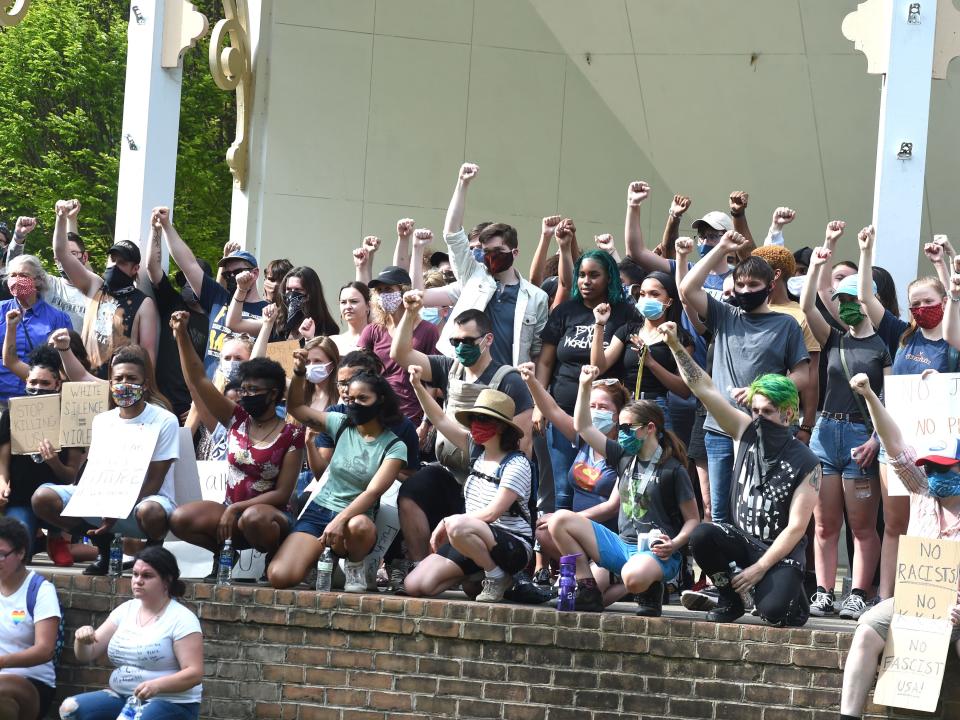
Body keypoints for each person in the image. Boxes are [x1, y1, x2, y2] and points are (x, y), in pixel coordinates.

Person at [660, 321, 820, 625]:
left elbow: (797, 528)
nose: (759, 418)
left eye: (767, 412)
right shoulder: (746, 431)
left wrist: (760, 568)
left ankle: (790, 595)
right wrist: (675, 346)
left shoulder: (807, 461)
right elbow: (704, 389)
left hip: (779, 552)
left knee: (776, 614)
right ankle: (730, 597)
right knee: (703, 533)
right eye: (755, 410)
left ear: (788, 414)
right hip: (742, 539)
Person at [389, 294, 533, 588]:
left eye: (468, 341)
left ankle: (490, 573)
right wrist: (410, 312)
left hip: (493, 484)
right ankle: (424, 562)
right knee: (413, 489)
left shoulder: (509, 380)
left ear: (488, 339)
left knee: (472, 557)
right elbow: (401, 355)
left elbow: (522, 441)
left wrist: (508, 480)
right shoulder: (447, 367)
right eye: (455, 342)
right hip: (453, 472)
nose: (460, 348)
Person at [839, 372, 960, 720]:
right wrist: (869, 397)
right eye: (931, 467)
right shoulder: (922, 490)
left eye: (945, 468)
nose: (935, 474)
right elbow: (895, 446)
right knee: (866, 629)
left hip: (956, 610)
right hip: (914, 603)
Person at [856, 226, 960, 601]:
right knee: (896, 524)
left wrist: (945, 262)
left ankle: (931, 598)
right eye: (914, 302)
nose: (919, 308)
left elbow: (955, 300)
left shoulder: (953, 343)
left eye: (927, 301)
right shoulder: (902, 332)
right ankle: (886, 599)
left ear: (945, 301)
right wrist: (865, 251)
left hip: (941, 450)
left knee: (936, 524)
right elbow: (866, 298)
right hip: (897, 446)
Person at [546, 365, 699, 615]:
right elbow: (583, 427)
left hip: (658, 552)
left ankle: (651, 589)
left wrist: (676, 544)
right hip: (621, 545)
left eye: (628, 428)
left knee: (632, 576)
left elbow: (694, 519)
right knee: (559, 521)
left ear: (650, 428)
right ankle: (587, 589)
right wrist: (584, 386)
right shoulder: (624, 456)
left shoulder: (673, 470)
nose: (622, 433)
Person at [679, 231, 809, 525]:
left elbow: (803, 375)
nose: (746, 290)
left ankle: (754, 569)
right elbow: (688, 288)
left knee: (757, 509)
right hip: (718, 429)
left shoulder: (786, 324)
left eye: (754, 285)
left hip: (764, 430)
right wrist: (721, 248)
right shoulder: (726, 315)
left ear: (770, 286)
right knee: (719, 513)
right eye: (740, 285)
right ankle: (723, 572)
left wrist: (761, 391)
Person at [168, 311, 304, 576]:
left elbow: (283, 494)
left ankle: (275, 554)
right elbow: (198, 380)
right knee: (179, 519)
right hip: (231, 511)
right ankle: (223, 557)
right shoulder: (236, 418)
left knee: (255, 517)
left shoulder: (291, 434)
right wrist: (182, 335)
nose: (245, 395)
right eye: (243, 389)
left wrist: (236, 509)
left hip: (270, 517)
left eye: (253, 390)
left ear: (274, 394)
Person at [30, 347, 180, 575]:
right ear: (110, 384)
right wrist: (91, 498)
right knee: (43, 497)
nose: (124, 384)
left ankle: (152, 557)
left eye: (131, 378)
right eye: (118, 379)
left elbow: (155, 480)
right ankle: (104, 546)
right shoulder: (102, 421)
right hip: (104, 500)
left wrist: (117, 507)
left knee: (151, 510)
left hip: (146, 502)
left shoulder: (164, 420)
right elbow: (95, 471)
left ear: (145, 385)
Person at [267, 353, 407, 591]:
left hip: (355, 518)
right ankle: (318, 562)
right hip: (320, 508)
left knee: (360, 526)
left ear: (380, 399)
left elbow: (372, 493)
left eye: (363, 398)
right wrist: (300, 374)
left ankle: (354, 566)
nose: (354, 404)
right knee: (279, 576)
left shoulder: (395, 445)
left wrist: (340, 520)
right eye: (351, 399)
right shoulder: (340, 422)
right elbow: (297, 408)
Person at [801, 249, 889, 619]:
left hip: (860, 436)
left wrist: (876, 440)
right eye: (842, 300)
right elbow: (806, 306)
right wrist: (819, 263)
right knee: (824, 524)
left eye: (854, 299)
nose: (847, 305)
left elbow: (889, 398)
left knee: (863, 526)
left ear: (868, 301)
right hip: (825, 432)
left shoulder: (883, 345)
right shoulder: (834, 337)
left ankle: (857, 592)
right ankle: (823, 591)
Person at [403, 381, 534, 603]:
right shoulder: (476, 451)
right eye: (473, 419)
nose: (475, 425)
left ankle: (496, 576)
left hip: (511, 546)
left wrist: (447, 522)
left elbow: (492, 514)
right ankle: (479, 575)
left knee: (456, 525)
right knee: (415, 585)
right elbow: (441, 419)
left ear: (501, 426)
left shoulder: (516, 463)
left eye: (483, 420)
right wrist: (416, 386)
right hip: (469, 539)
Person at [536, 249, 635, 511]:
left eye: (594, 275)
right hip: (561, 411)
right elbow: (545, 361)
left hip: (602, 416)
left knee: (598, 486)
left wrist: (600, 324)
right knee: (562, 488)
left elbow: (599, 366)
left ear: (609, 279)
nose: (586, 281)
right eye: (581, 275)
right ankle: (563, 547)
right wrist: (539, 404)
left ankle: (594, 545)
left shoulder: (623, 313)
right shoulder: (564, 312)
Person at [61, 546, 203, 720]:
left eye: (147, 576)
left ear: (166, 581)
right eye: (135, 574)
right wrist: (81, 640)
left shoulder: (182, 619)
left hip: (172, 702)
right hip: (125, 698)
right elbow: (86, 654)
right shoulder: (125, 610)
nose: (138, 581)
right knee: (70, 709)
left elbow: (194, 673)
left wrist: (157, 686)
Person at [429, 163, 549, 367]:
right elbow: (452, 235)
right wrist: (462, 184)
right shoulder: (472, 276)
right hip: (463, 375)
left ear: (515, 253)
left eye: (498, 252)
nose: (491, 257)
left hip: (507, 383)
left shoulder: (537, 297)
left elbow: (536, 352)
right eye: (486, 252)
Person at [517, 363, 627, 581]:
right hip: (576, 536)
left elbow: (612, 507)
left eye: (603, 408)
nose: (596, 412)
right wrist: (531, 381)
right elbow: (552, 410)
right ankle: (581, 570)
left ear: (618, 415)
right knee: (543, 532)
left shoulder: (623, 452)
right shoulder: (584, 439)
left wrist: (566, 519)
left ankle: (623, 581)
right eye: (592, 406)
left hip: (607, 538)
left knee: (597, 595)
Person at [153, 206, 267, 378]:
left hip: (246, 394)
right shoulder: (218, 297)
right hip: (211, 392)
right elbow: (188, 264)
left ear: (255, 273)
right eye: (228, 274)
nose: (232, 277)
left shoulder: (268, 311)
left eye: (238, 272)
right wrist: (167, 225)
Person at [53, 201, 159, 376]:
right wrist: (61, 217)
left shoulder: (143, 303)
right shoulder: (95, 285)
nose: (115, 265)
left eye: (122, 262)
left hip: (117, 384)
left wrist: (146, 389)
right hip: (83, 380)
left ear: (135, 269)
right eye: (113, 260)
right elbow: (62, 253)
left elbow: (148, 354)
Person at [0, 345, 86, 561]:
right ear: (26, 383)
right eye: (33, 382)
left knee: (63, 560)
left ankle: (55, 535)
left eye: (45, 383)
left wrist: (54, 462)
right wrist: (2, 483)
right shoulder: (12, 414)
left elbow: (71, 476)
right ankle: (36, 540)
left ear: (57, 385)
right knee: (17, 556)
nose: (38, 388)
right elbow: (3, 461)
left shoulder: (71, 417)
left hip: (54, 504)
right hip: (20, 501)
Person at [589, 270, 693, 424]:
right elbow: (598, 366)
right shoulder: (628, 331)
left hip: (656, 408)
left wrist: (650, 362)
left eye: (654, 294)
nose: (646, 299)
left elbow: (684, 390)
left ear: (669, 301)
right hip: (626, 406)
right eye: (643, 294)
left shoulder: (680, 339)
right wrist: (599, 324)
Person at [143, 217, 210, 421]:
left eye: (193, 279)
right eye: (183, 280)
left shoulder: (213, 320)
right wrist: (156, 231)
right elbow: (152, 268)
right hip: (159, 402)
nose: (187, 284)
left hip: (189, 410)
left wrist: (200, 406)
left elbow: (215, 369)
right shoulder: (172, 301)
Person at [359, 265, 438, 426]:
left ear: (403, 291)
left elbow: (433, 382)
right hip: (377, 416)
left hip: (411, 417)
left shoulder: (428, 331)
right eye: (379, 290)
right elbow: (359, 371)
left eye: (388, 289)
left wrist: (425, 423)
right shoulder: (372, 331)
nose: (383, 295)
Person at [0, 517, 61, 720]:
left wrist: (2, 662)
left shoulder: (40, 590)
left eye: (1, 554)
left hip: (31, 681)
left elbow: (45, 650)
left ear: (21, 553)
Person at [0, 256, 71, 404]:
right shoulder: (1, 310)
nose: (17, 280)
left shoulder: (58, 318)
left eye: (24, 275)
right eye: (13, 275)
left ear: (38, 280)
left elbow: (66, 363)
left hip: (38, 399)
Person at [7, 206, 86, 331]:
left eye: (73, 254)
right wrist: (18, 238)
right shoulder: (49, 284)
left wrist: (71, 219)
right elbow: (16, 268)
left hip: (78, 350)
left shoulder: (94, 289)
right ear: (56, 260)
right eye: (62, 255)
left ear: (85, 257)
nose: (67, 259)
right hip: (47, 348)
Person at [226, 265, 339, 342]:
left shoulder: (327, 328)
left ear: (311, 293)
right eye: (288, 289)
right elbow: (234, 324)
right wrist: (241, 289)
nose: (292, 294)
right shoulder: (277, 321)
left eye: (298, 290)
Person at [330, 282, 370, 356]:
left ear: (368, 305)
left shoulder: (380, 339)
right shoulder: (333, 342)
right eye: (343, 302)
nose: (348, 307)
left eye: (354, 301)